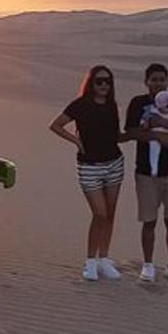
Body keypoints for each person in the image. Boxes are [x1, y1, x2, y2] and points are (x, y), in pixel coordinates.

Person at [49, 65, 124, 282]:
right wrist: (75, 141)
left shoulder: (111, 105)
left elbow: (115, 135)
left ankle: (104, 259)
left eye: (108, 81)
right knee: (99, 213)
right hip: (89, 166)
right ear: (91, 83)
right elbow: (56, 125)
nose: (104, 85)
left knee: (110, 213)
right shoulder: (80, 104)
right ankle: (90, 261)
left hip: (114, 163)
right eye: (99, 81)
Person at [125, 63, 168, 285]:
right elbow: (131, 131)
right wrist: (155, 136)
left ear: (167, 81)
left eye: (162, 79)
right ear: (146, 82)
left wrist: (163, 123)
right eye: (154, 79)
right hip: (147, 173)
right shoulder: (138, 103)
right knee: (149, 221)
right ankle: (148, 265)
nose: (158, 83)